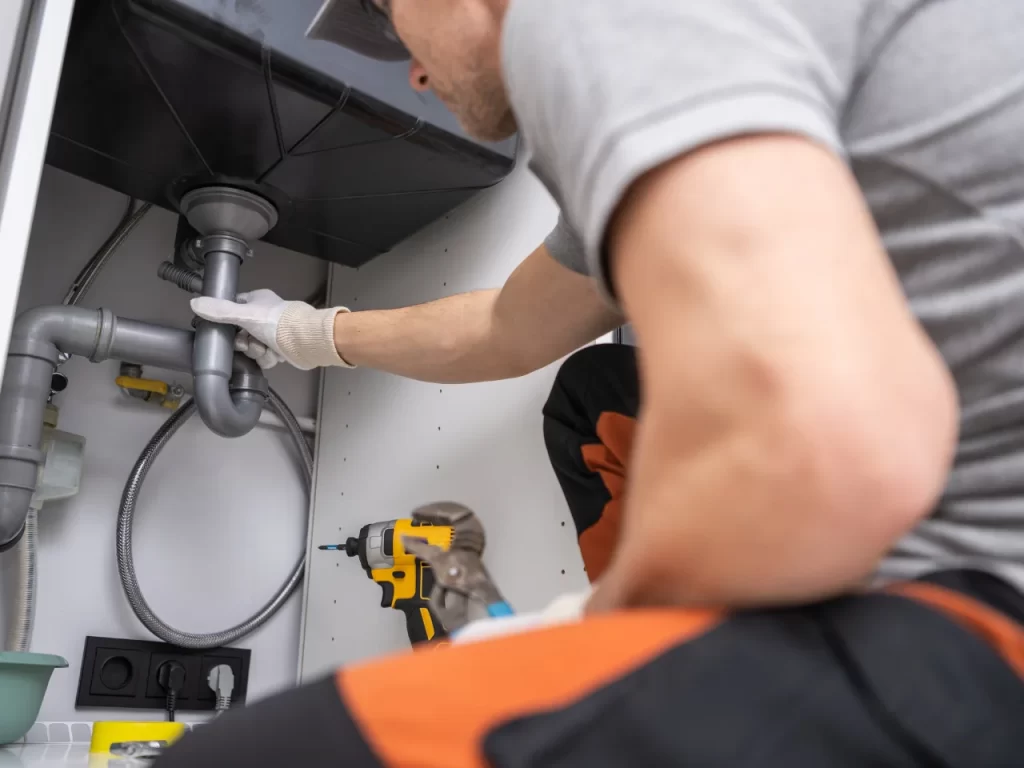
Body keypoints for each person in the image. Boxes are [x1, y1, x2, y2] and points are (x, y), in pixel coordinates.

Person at [165, 0, 1024, 765]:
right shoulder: (678, 57)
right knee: (596, 393)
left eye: (390, 17)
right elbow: (509, 326)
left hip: (980, 620)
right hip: (944, 575)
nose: (413, 69)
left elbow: (817, 437)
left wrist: (592, 626)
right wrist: (305, 334)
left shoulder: (585, 17)